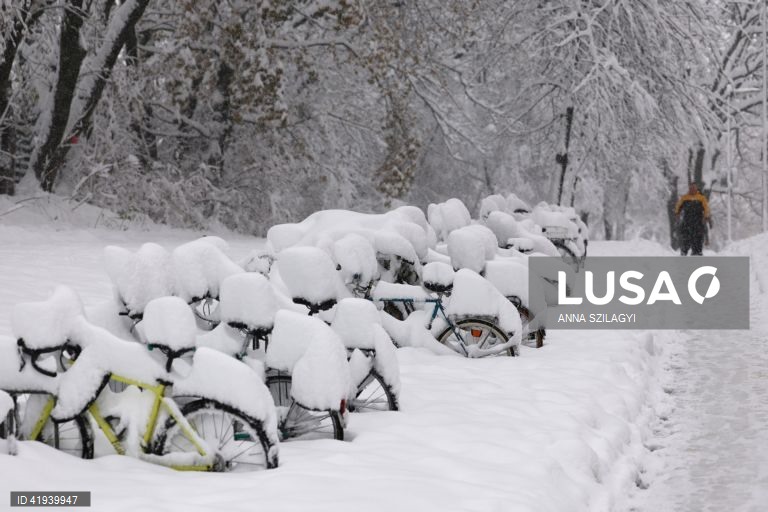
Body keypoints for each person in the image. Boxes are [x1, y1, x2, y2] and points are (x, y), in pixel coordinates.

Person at [674, 183, 711, 256]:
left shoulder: (701, 198)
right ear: (689, 189)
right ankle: (684, 252)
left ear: (696, 189)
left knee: (698, 238)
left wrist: (706, 217)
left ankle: (697, 253)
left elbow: (706, 208)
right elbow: (678, 206)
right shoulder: (684, 198)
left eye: (694, 188)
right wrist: (677, 213)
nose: (692, 189)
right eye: (691, 188)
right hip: (687, 221)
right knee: (686, 238)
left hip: (698, 221)